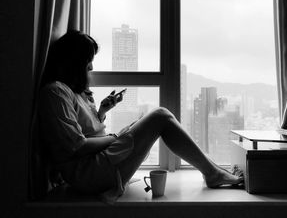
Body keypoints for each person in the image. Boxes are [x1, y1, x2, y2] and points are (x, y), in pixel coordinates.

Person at [39, 30, 243, 197]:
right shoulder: (56, 91)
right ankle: (213, 173)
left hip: (99, 162)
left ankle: (215, 170)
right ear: (74, 61)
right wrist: (115, 137)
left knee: (152, 119)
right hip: (89, 173)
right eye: (87, 61)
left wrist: (101, 112)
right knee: (160, 116)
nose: (91, 66)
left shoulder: (74, 91)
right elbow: (77, 145)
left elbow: (85, 130)